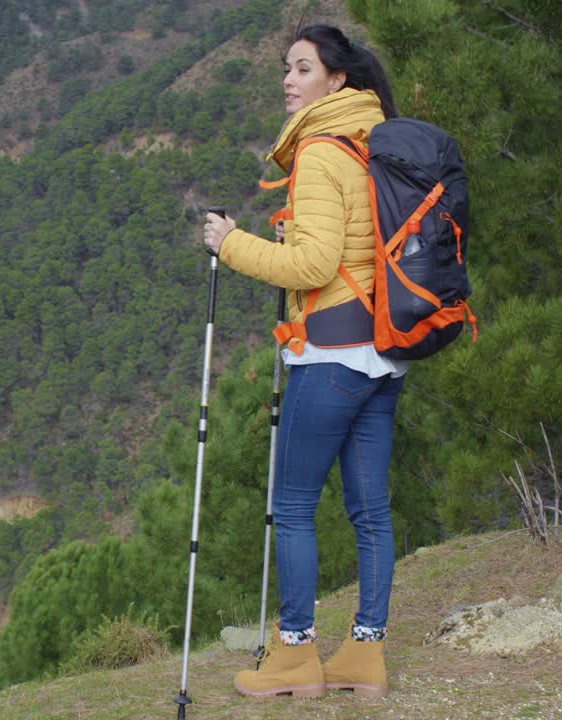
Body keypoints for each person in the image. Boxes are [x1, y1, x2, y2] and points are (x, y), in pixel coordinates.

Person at [202, 24, 403, 700]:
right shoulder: (372, 139)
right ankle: (364, 656)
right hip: (382, 352)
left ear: (336, 80)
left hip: (331, 355)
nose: (289, 81)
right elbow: (353, 245)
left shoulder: (320, 150)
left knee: (291, 505)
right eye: (286, 69)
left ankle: (295, 658)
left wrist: (233, 243)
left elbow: (315, 265)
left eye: (303, 68)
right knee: (369, 510)